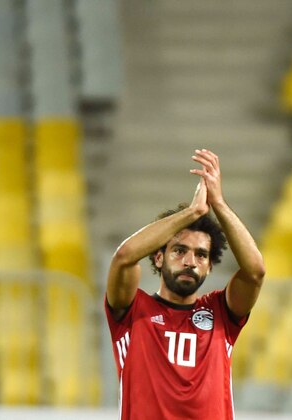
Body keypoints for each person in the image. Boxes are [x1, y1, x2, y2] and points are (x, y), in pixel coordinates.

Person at [105, 148, 266, 419]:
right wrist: (194, 213)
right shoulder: (133, 311)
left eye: (201, 254)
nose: (190, 261)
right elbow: (124, 257)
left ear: (209, 265)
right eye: (179, 250)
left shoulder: (220, 314)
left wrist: (219, 204)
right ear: (158, 257)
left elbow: (255, 272)